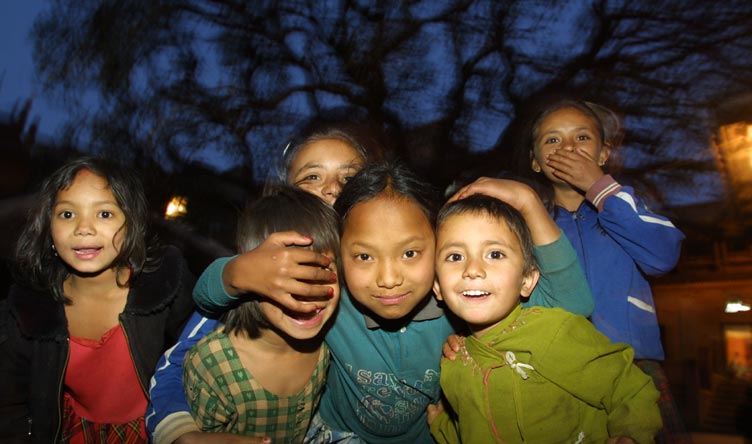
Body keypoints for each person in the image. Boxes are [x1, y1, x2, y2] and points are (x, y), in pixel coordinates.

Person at [192, 160, 594, 444]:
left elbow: (572, 306)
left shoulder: (462, 306)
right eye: (364, 256)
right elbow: (206, 298)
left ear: (439, 247)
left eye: (410, 254)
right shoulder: (331, 301)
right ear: (337, 256)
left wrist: (528, 203)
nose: (388, 279)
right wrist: (239, 272)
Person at [146, 116, 383, 444]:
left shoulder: (387, 273)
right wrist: (236, 275)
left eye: (350, 176)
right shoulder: (261, 272)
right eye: (312, 176)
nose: (333, 188)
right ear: (286, 194)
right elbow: (178, 362)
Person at [427, 194, 662, 443]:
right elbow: (471, 429)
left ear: (527, 280)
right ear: (438, 287)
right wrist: (443, 426)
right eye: (455, 257)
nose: (472, 270)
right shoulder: (453, 363)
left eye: (495, 254)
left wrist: (631, 434)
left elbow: (626, 385)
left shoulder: (556, 331)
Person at [0, 157, 196, 444]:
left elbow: (201, 356)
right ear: (48, 228)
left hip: (158, 430)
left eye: (104, 214)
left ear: (132, 222)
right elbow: (9, 403)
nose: (84, 228)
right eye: (67, 215)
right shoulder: (30, 307)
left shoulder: (165, 284)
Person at [183, 185, 341, 442]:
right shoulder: (214, 365)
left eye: (320, 272)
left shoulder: (327, 344)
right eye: (287, 278)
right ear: (251, 277)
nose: (306, 293)